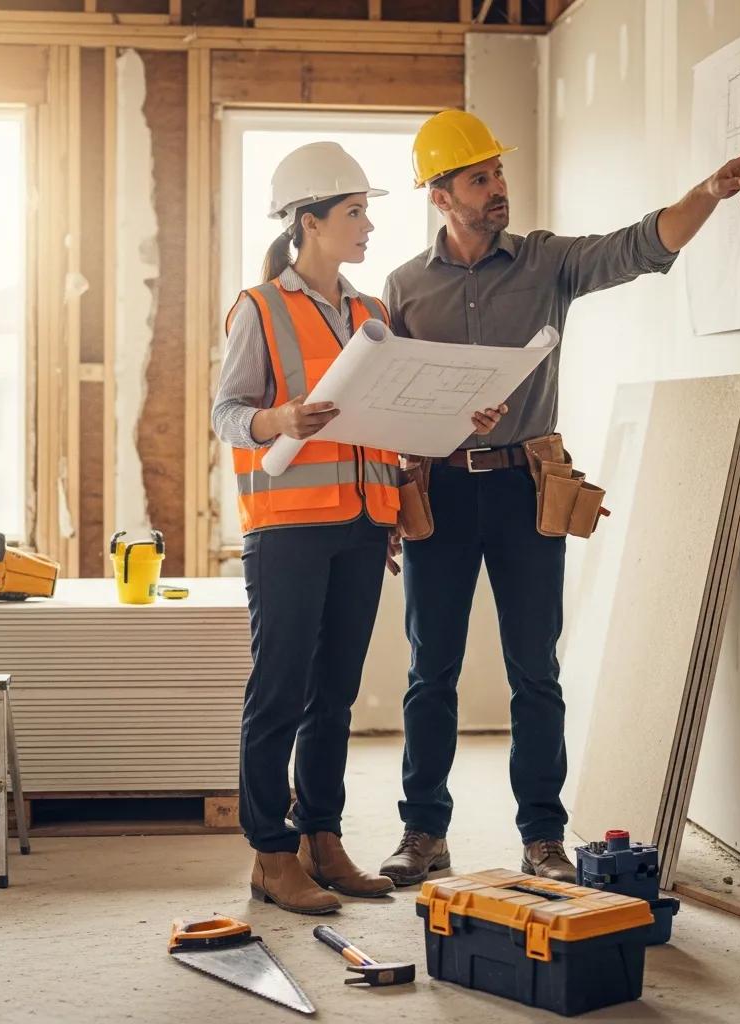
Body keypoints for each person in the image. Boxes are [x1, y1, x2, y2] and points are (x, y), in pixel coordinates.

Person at [378, 110, 740, 886]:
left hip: (527, 487)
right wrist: (389, 491)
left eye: (498, 174)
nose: (498, 189)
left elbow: (640, 245)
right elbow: (389, 398)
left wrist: (708, 193)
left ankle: (542, 838)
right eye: (479, 179)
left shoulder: (546, 262)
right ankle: (423, 834)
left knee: (534, 671)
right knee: (432, 671)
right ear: (441, 196)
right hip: (441, 492)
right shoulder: (404, 286)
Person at [211, 140, 505, 914]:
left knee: (334, 694)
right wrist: (279, 417)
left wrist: (456, 418)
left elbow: (392, 418)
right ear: (309, 222)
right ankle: (271, 853)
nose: (368, 226)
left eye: (367, 213)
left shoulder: (371, 313)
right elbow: (227, 414)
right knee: (279, 690)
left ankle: (321, 837)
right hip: (287, 526)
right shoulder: (260, 307)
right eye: (353, 213)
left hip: (366, 521)